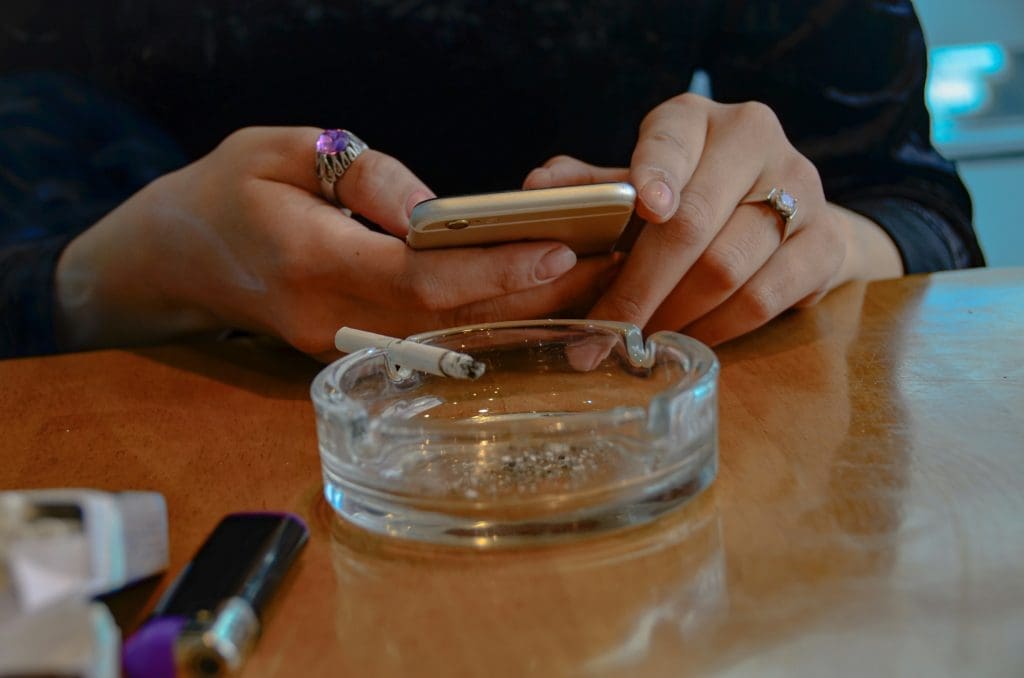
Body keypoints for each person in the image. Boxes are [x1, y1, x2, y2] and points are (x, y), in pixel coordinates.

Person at [0, 1, 985, 360]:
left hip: (617, 442)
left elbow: (916, 210)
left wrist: (799, 237)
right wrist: (129, 272)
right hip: (163, 463)